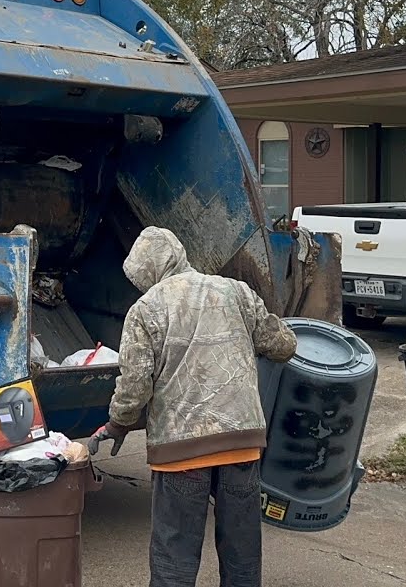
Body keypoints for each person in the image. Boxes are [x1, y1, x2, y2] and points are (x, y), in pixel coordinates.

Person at [87, 226, 296, 587]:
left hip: (182, 452)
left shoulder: (145, 310)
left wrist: (117, 425)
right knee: (242, 556)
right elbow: (282, 345)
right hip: (241, 445)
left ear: (147, 271)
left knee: (175, 561)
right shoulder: (235, 291)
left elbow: (135, 385)